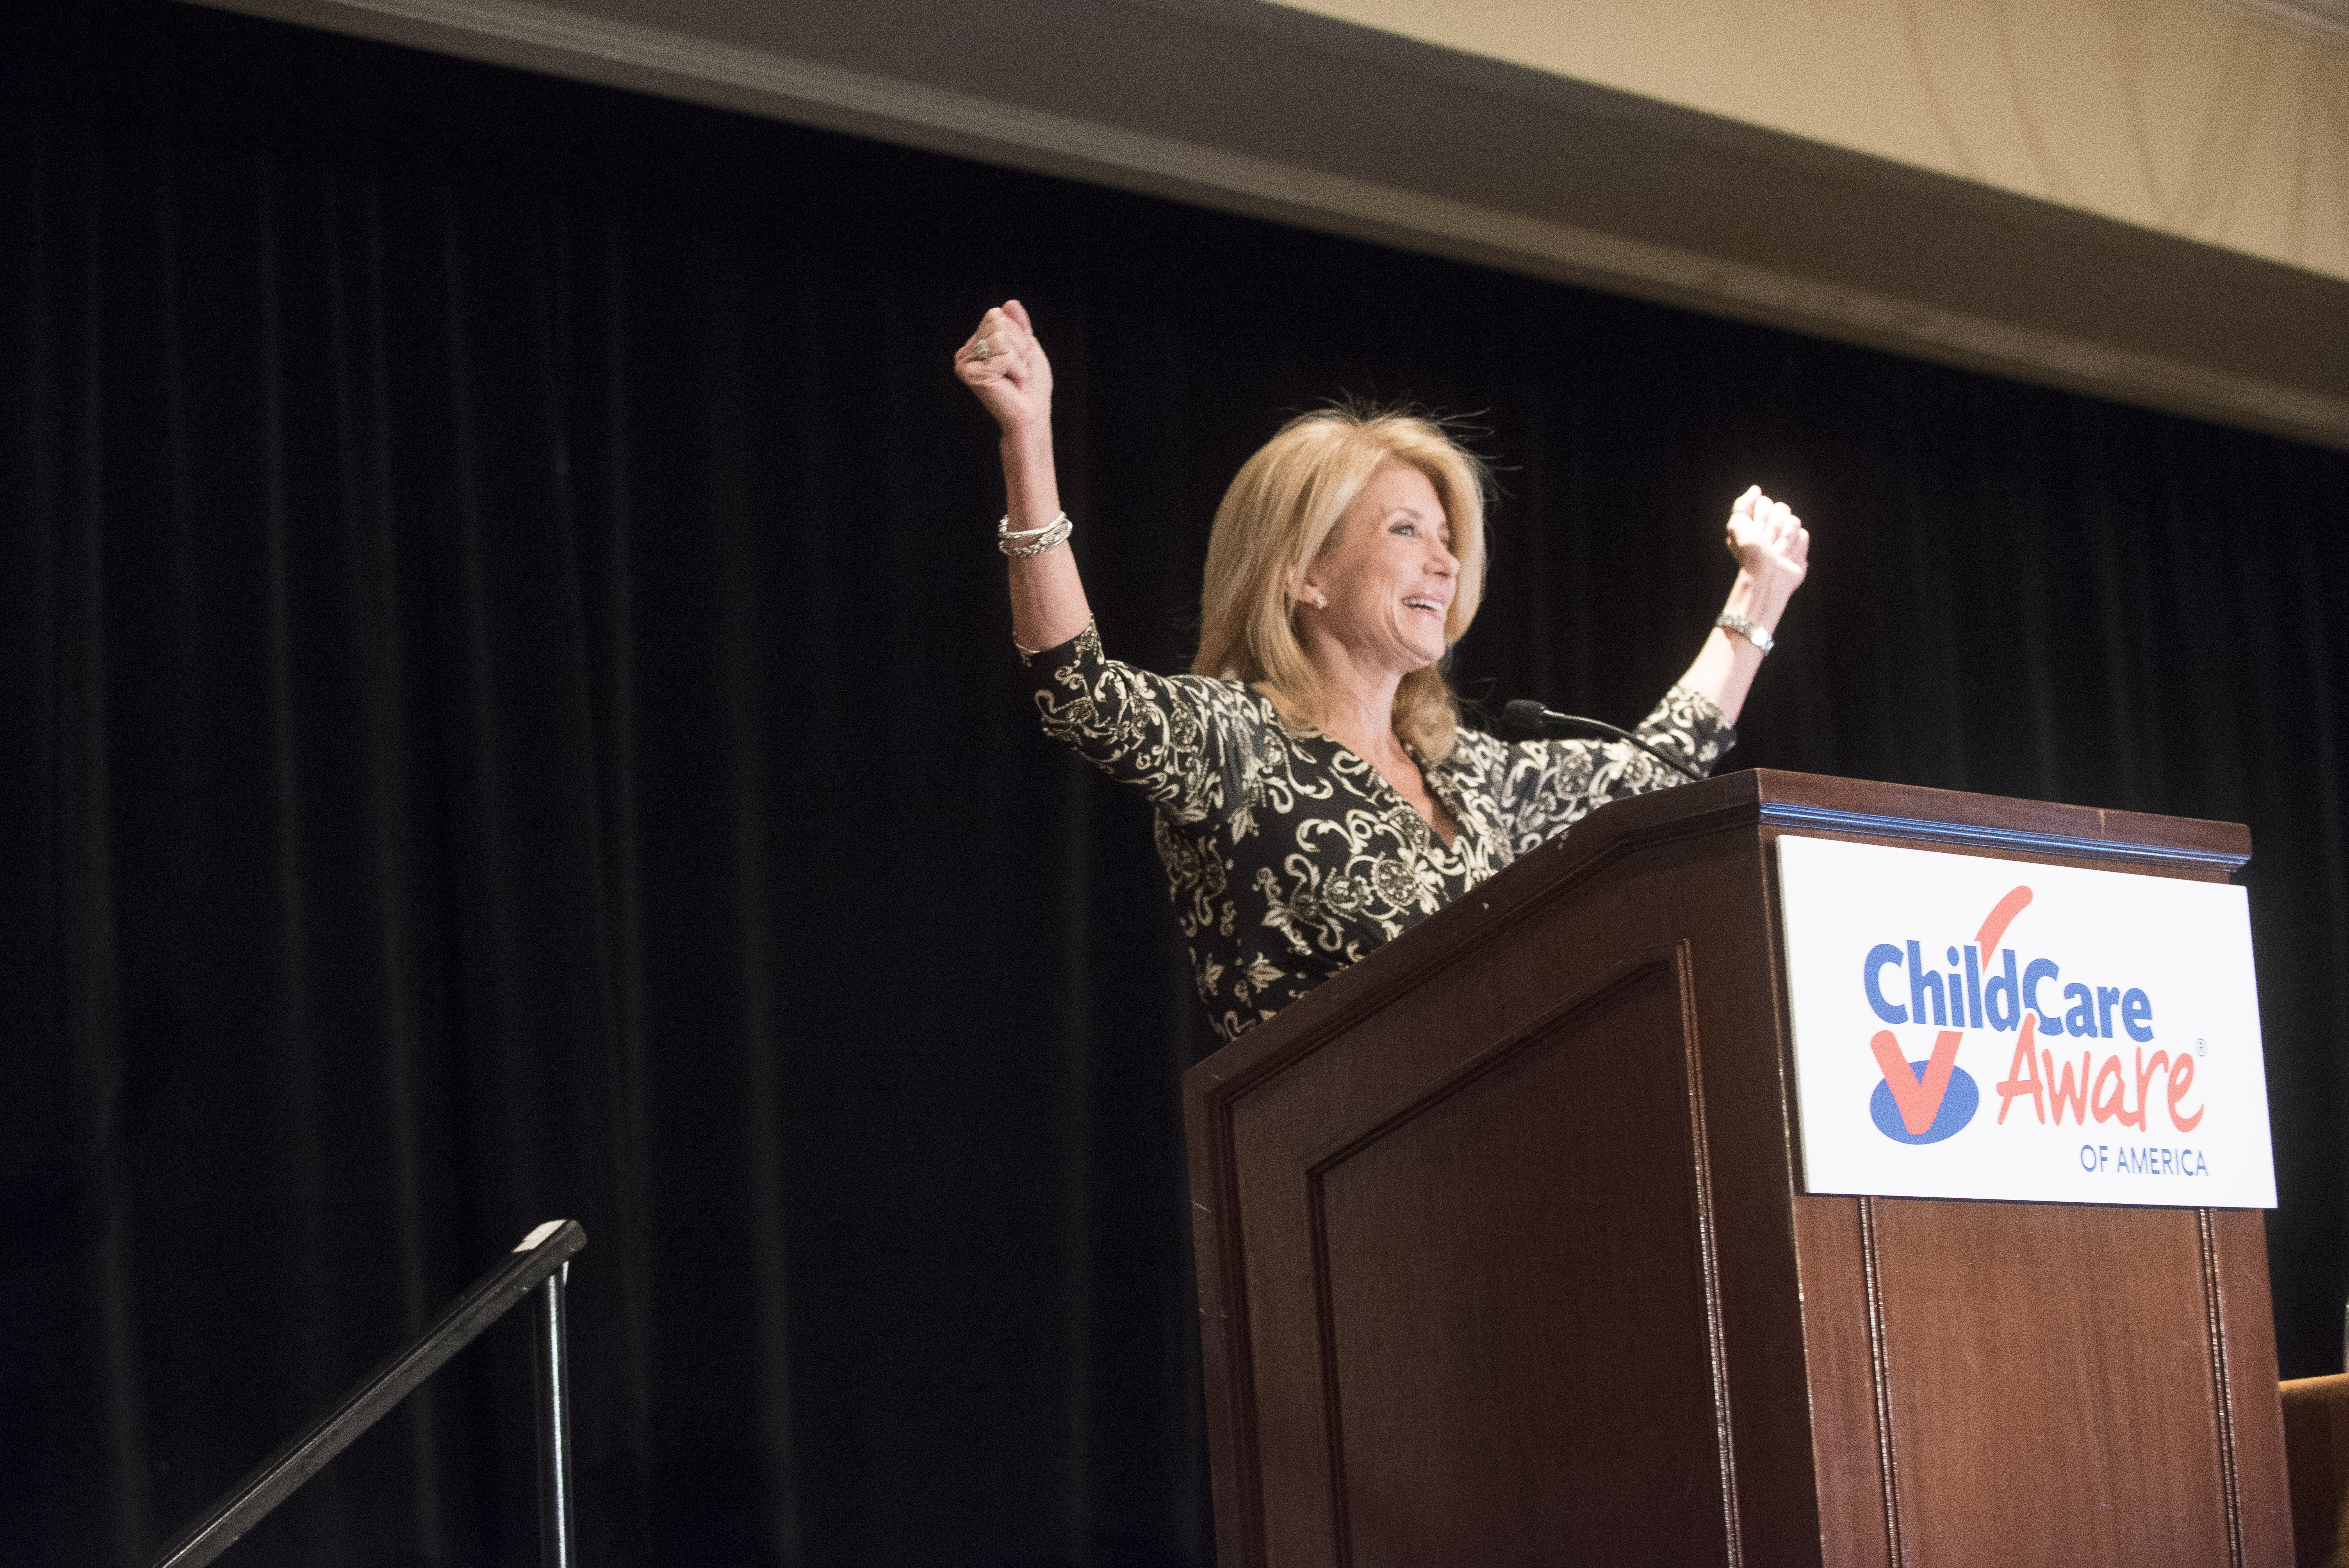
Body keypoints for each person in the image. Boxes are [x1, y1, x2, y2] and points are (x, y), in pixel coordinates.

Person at [955, 300, 1811, 1044]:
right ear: (1306, 574)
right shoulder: (1239, 742)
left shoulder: (1463, 771)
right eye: (1406, 530)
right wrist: (1028, 439)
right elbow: (1080, 692)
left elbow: (1651, 770)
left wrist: (1759, 595)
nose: (1446, 562)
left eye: (1447, 537)